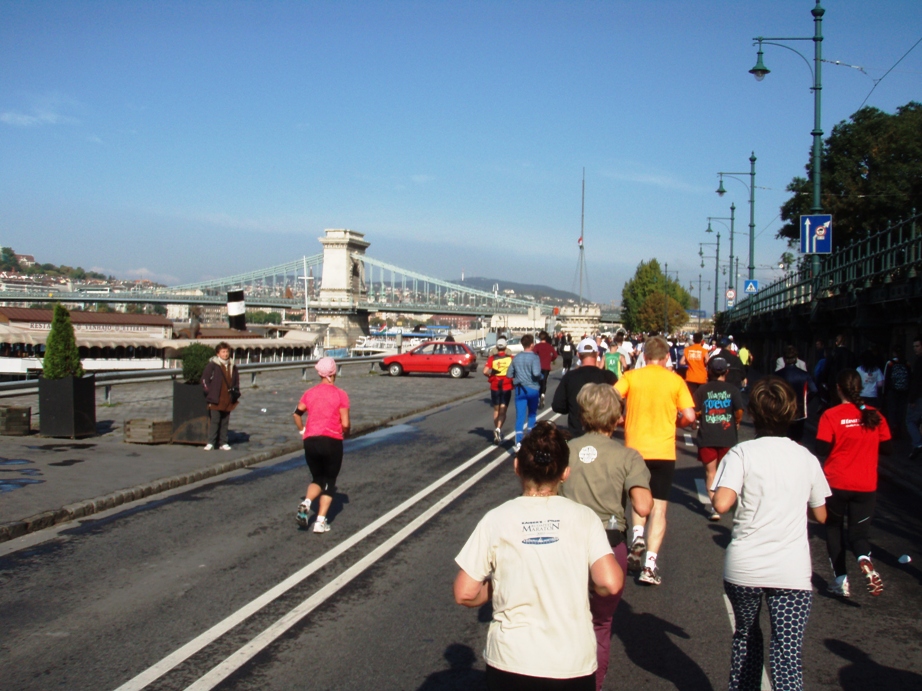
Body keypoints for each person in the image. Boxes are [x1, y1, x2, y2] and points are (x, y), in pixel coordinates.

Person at [453, 422, 622, 691]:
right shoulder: (585, 518)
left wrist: (499, 585)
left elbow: (464, 593)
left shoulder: (496, 519)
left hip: (511, 661)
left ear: (517, 467)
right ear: (565, 473)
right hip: (572, 662)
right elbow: (610, 582)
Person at [711, 376, 830, 691]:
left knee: (746, 640)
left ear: (752, 414)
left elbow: (722, 503)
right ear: (791, 415)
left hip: (745, 566)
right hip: (791, 570)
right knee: (786, 654)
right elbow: (821, 513)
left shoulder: (742, 454)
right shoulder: (806, 458)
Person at [560, 384, 652, 691]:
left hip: (565, 544)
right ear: (617, 418)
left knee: (563, 621)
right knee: (600, 625)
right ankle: (592, 685)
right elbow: (642, 505)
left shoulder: (566, 450)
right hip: (608, 545)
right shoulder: (628, 456)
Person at [615, 336, 696, 585]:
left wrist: (621, 419)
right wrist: (677, 423)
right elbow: (690, 416)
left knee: (639, 500)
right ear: (666, 357)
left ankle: (637, 535)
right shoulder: (675, 381)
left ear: (644, 356)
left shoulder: (631, 378)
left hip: (635, 450)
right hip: (663, 451)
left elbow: (610, 398)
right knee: (659, 507)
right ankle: (649, 566)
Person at [816, 369, 892, 597]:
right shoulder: (875, 415)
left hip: (836, 482)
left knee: (833, 529)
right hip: (866, 485)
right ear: (859, 388)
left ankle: (841, 579)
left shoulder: (831, 415)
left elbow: (821, 448)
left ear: (838, 389)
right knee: (859, 535)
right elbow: (888, 448)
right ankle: (864, 559)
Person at [293, 357, 351, 534]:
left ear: (319, 373)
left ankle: (307, 503)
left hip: (311, 440)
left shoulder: (309, 393)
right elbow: (346, 423)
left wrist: (302, 430)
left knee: (317, 478)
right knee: (329, 481)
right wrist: (345, 434)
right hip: (331, 440)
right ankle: (320, 521)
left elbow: (296, 414)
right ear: (333, 373)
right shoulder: (340, 394)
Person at [693, 357, 744, 521]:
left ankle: (715, 507)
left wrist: (699, 418)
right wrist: (736, 421)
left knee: (711, 473)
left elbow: (696, 411)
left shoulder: (702, 390)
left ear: (709, 371)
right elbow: (739, 411)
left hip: (707, 435)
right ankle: (728, 502)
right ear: (726, 372)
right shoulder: (732, 389)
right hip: (727, 436)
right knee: (727, 472)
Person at [552, 338, 617, 437]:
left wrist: (572, 407)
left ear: (578, 355)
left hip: (577, 433)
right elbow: (618, 403)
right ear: (597, 354)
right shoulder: (608, 377)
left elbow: (558, 405)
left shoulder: (570, 377)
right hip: (603, 433)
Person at [505, 334, 543, 452]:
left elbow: (509, 374)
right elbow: (536, 373)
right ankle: (530, 439)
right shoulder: (535, 358)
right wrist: (541, 376)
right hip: (532, 389)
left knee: (520, 416)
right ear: (531, 344)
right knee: (532, 414)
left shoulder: (516, 358)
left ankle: (519, 442)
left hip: (520, 389)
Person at [201, 342, 240, 451]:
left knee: (225, 421)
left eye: (227, 351)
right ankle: (211, 442)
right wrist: (209, 392)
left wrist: (236, 391)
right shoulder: (212, 365)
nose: (225, 354)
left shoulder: (232, 365)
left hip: (227, 398)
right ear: (218, 353)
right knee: (215, 420)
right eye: (223, 352)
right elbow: (205, 379)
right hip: (215, 398)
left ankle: (223, 442)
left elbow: (236, 380)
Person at [776, 345, 817, 444]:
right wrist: (805, 401)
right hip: (800, 411)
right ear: (796, 359)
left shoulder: (777, 375)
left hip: (782, 410)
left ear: (784, 360)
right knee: (797, 439)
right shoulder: (804, 375)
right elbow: (814, 390)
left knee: (783, 439)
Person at [483, 338, 514, 444]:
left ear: (496, 347)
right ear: (505, 348)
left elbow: (485, 371)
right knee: (503, 411)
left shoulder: (492, 358)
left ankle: (497, 430)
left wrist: (491, 375)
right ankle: (498, 429)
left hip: (495, 385)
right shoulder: (511, 358)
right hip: (506, 386)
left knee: (496, 410)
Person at [882, 346, 910, 440]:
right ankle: (900, 429)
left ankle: (892, 430)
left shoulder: (890, 363)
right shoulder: (907, 364)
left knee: (892, 411)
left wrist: (884, 392)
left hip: (892, 391)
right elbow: (910, 377)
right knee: (901, 411)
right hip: (903, 391)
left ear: (893, 353)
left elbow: (886, 378)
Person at [532, 331, 559, 407]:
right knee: (544, 382)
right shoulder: (549, 346)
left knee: (537, 382)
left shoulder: (537, 346)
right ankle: (543, 395)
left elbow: (533, 355)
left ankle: (537, 397)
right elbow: (555, 355)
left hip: (538, 366)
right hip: (546, 367)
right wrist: (550, 359)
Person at [679, 331, 708, 396]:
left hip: (690, 377)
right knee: (701, 396)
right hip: (702, 377)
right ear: (701, 340)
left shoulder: (687, 350)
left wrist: (689, 362)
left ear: (693, 340)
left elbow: (681, 362)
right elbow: (708, 361)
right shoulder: (704, 351)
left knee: (692, 396)